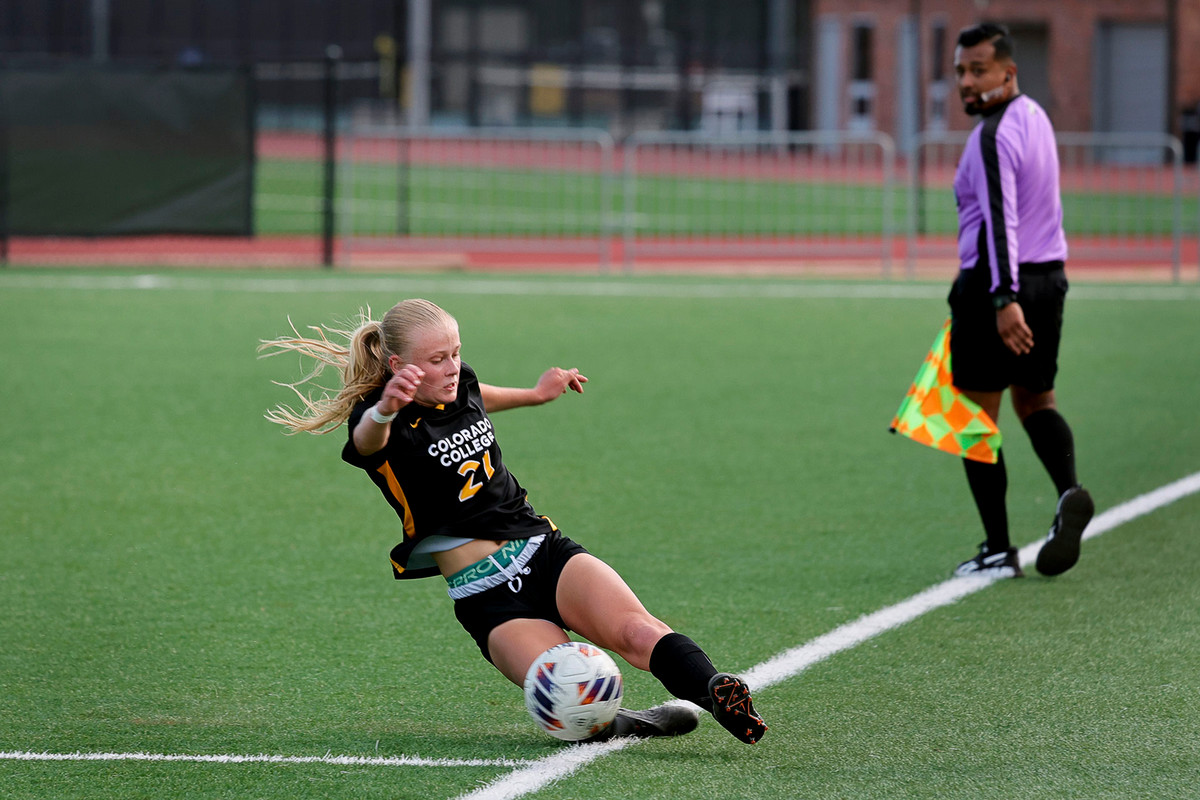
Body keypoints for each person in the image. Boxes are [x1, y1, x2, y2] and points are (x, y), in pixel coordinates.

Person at [259, 298, 767, 744]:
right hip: (488, 598)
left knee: (638, 631)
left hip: (543, 550)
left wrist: (537, 393)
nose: (452, 367)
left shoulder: (460, 384)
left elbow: (482, 396)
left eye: (455, 352)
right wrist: (388, 407)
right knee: (568, 700)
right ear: (398, 366)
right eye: (437, 360)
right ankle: (632, 722)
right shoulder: (384, 420)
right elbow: (365, 441)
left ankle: (716, 691)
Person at [946, 23, 1094, 579]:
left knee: (974, 420)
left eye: (978, 70)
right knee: (1036, 401)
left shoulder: (992, 134)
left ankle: (997, 549)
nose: (967, 81)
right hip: (1050, 278)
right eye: (961, 70)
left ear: (1008, 72)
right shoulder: (1035, 115)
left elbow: (1001, 222)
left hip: (996, 286)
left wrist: (1004, 299)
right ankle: (1068, 494)